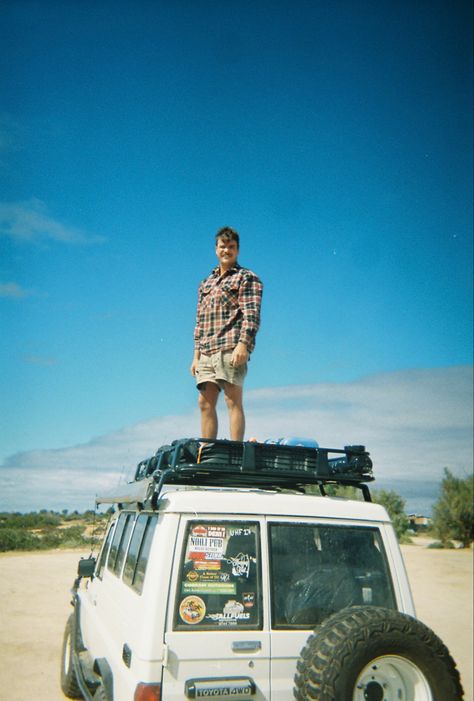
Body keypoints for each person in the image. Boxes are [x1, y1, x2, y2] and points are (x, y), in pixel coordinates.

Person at [190, 226, 263, 441]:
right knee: (204, 403)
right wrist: (195, 356)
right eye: (223, 246)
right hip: (206, 352)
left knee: (232, 401)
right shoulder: (206, 283)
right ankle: (208, 451)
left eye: (231, 247)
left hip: (230, 348)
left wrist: (243, 345)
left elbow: (252, 315)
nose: (226, 251)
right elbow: (199, 322)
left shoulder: (246, 278)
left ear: (238, 250)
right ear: (216, 249)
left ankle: (235, 452)